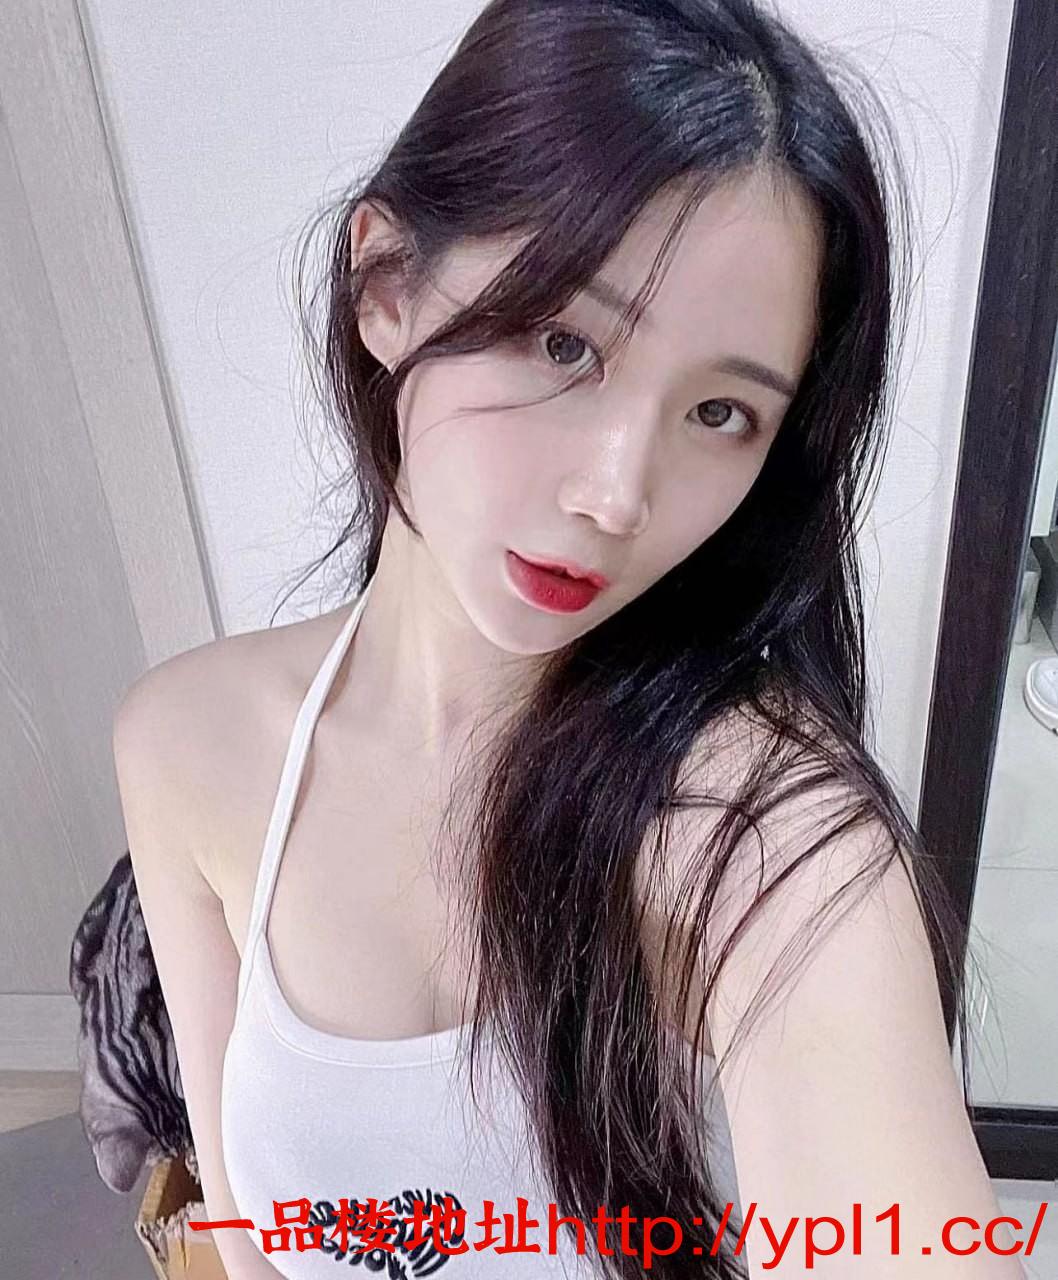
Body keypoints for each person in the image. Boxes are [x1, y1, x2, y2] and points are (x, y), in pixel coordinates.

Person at [113, 1, 1026, 1276]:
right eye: (563, 342)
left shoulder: (753, 832)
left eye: (718, 411)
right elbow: (246, 1237)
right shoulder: (189, 742)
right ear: (385, 284)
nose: (616, 493)